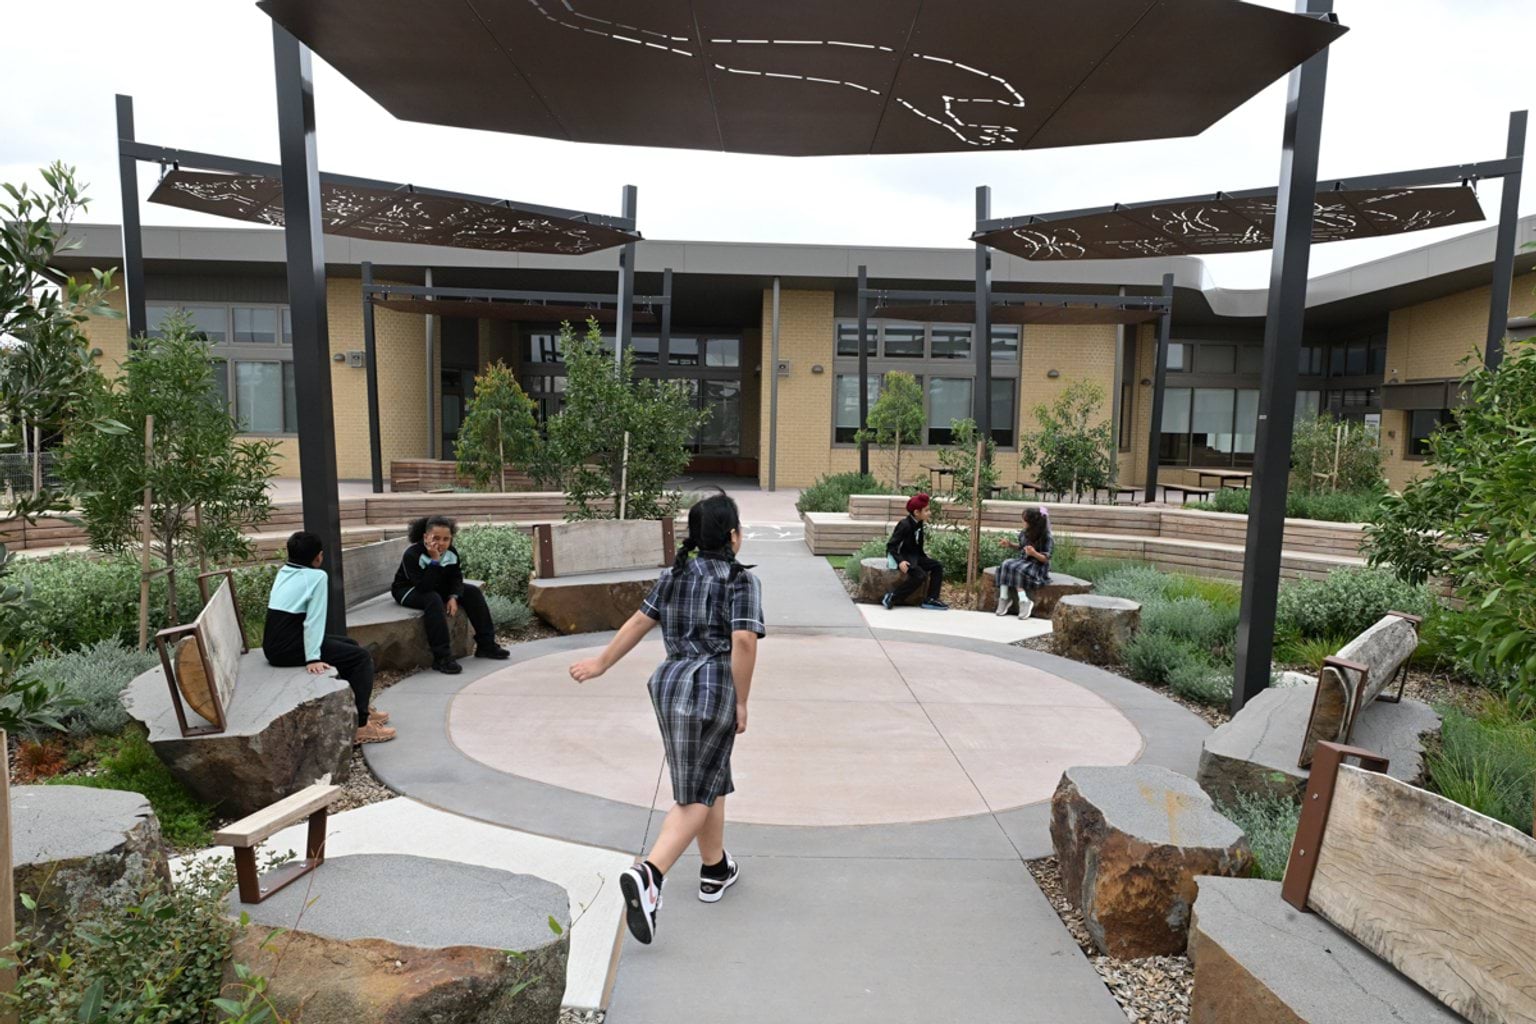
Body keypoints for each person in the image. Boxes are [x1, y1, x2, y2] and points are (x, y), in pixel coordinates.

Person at [567, 492, 764, 945]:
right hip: (712, 684)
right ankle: (650, 875)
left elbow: (638, 623)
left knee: (705, 774)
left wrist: (600, 664)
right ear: (733, 535)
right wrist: (741, 701)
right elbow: (745, 644)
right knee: (696, 790)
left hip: (670, 684)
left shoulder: (674, 575)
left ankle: (714, 868)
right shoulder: (740, 581)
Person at [264, 531, 395, 744]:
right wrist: (313, 658)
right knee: (361, 658)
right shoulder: (317, 577)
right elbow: (313, 620)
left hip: (276, 644)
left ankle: (357, 708)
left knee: (350, 644)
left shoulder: (285, 571)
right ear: (319, 556)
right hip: (288, 648)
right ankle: (361, 727)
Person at [391, 515, 511, 675]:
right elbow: (424, 587)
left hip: (435, 587)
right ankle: (442, 658)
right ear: (425, 537)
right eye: (436, 538)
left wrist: (454, 596)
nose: (441, 543)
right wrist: (434, 560)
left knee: (472, 592)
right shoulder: (412, 554)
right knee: (433, 599)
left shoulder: (451, 552)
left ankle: (486, 645)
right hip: (409, 590)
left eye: (446, 539)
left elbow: (455, 578)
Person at [881, 493, 948, 611]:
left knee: (937, 566)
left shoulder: (919, 523)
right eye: (926, 510)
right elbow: (891, 546)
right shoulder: (904, 525)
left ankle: (931, 599)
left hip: (915, 557)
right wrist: (900, 561)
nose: (929, 513)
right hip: (905, 558)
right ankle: (892, 596)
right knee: (920, 575)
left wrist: (925, 558)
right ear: (917, 512)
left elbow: (917, 545)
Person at [996, 505, 1052, 619]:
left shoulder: (1046, 536)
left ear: (1033, 522)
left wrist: (1034, 554)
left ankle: (1024, 600)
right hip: (1024, 560)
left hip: (1038, 565)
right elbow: (1022, 547)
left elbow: (1046, 558)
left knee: (1018, 569)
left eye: (1024, 520)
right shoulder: (1025, 532)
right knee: (1006, 564)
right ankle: (1004, 598)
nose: (1022, 521)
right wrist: (1010, 544)